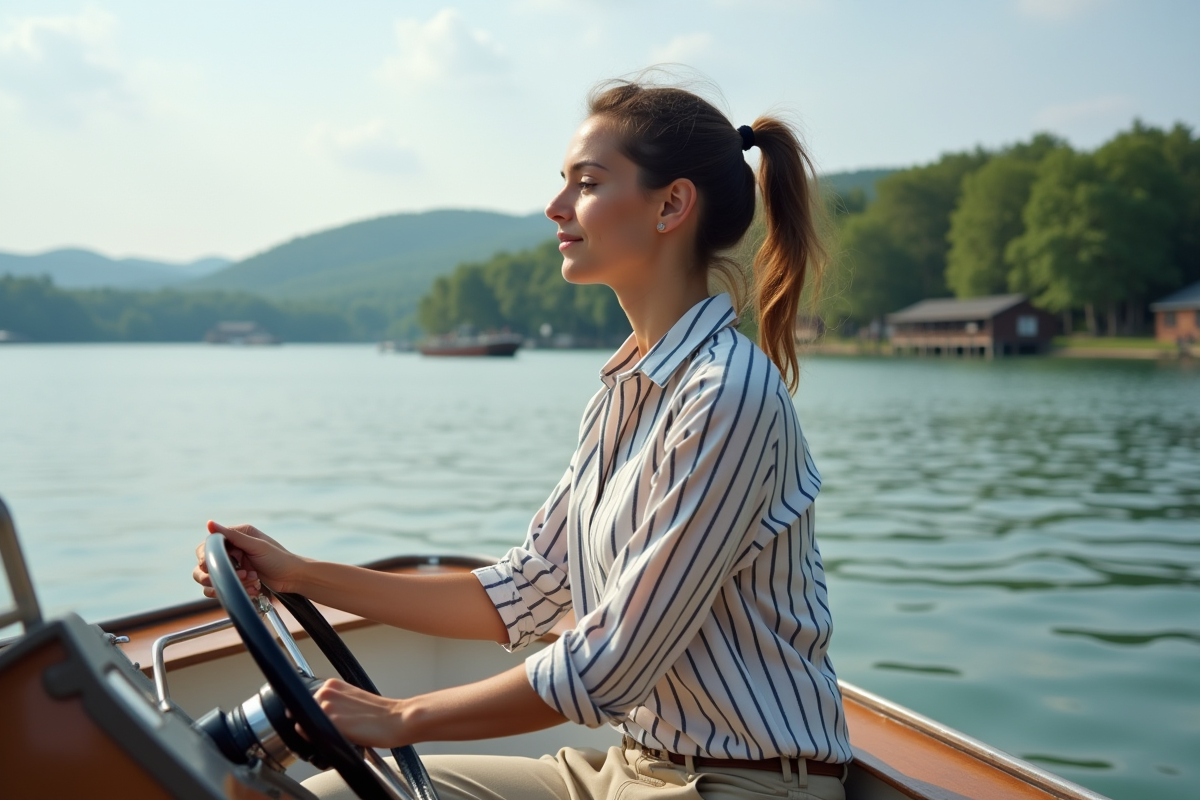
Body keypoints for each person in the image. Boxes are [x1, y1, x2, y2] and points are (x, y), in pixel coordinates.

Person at [194, 77, 852, 800]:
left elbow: (611, 664)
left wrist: (401, 717)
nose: (555, 207)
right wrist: (299, 574)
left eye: (587, 183)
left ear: (671, 205)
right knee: (328, 796)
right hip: (628, 770)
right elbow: (527, 590)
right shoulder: (625, 393)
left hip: (738, 786)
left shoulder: (727, 395)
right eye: (562, 183)